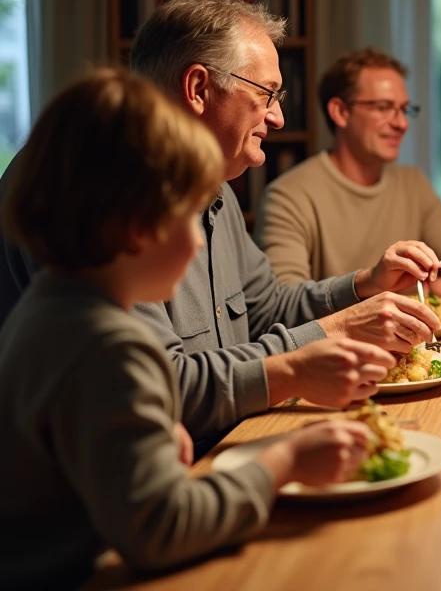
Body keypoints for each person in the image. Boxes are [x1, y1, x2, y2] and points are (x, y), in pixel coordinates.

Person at [0, 0, 441, 449]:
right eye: (266, 93)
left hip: (221, 448)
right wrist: (334, 333)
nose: (278, 115)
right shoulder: (94, 192)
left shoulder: (213, 186)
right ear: (198, 88)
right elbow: (161, 388)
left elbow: (263, 309)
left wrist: (365, 286)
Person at [0, 70, 379, 589]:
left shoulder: (50, 310)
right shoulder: (110, 346)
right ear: (138, 227)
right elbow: (159, 529)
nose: (202, 243)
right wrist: (285, 461)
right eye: (189, 216)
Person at [256, 48, 441, 298]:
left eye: (404, 109)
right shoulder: (288, 196)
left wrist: (439, 293)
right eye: (383, 107)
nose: (401, 123)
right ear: (340, 112)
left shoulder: (413, 185)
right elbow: (285, 301)